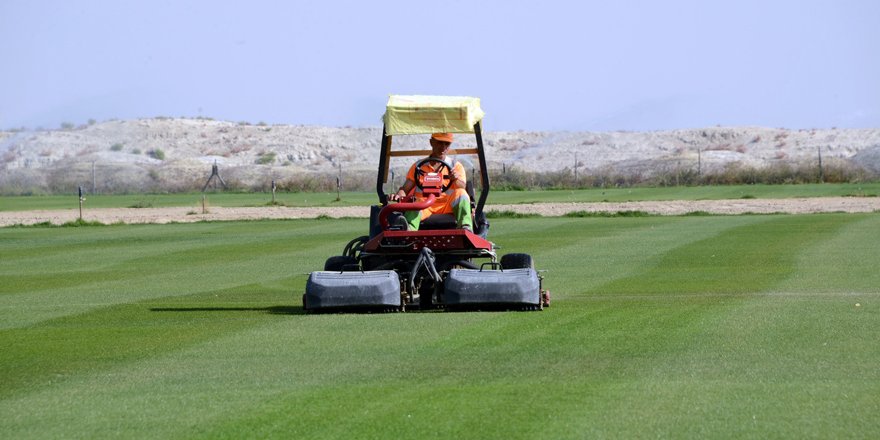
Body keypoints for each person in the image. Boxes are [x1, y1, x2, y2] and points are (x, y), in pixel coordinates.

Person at [388, 133, 473, 231]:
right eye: (440, 143)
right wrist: (398, 196)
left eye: (447, 144)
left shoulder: (455, 166)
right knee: (414, 201)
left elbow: (462, 186)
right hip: (424, 206)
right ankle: (408, 230)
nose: (443, 147)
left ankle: (465, 227)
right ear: (431, 142)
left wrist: (455, 178)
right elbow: (405, 189)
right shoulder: (418, 166)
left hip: (447, 206)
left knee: (461, 193)